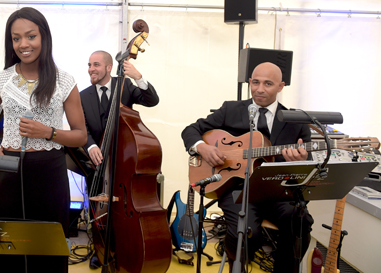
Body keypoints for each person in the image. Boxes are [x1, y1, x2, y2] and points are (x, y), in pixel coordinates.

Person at [0, 7, 86, 273]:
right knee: (9, 245)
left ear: (44, 37)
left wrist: (49, 132)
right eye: (16, 38)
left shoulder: (64, 81)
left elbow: (80, 135)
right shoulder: (2, 80)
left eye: (31, 36)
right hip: (10, 170)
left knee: (47, 245)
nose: (24, 44)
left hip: (49, 169)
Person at [181, 62, 314, 272]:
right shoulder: (230, 110)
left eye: (268, 84)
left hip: (277, 190)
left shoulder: (296, 121)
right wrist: (202, 148)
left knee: (300, 221)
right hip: (236, 188)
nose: (259, 89)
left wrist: (298, 160)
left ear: (281, 86)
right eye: (255, 82)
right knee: (247, 231)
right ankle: (240, 267)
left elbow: (309, 164)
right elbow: (191, 130)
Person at [80, 50, 159, 269]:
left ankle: (124, 246)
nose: (91, 69)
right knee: (98, 207)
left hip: (125, 159)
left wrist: (138, 77)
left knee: (122, 208)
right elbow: (81, 127)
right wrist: (91, 145)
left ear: (108, 67)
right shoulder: (82, 95)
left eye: (96, 64)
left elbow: (152, 101)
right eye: (89, 65)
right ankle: (100, 248)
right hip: (97, 161)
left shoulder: (125, 86)